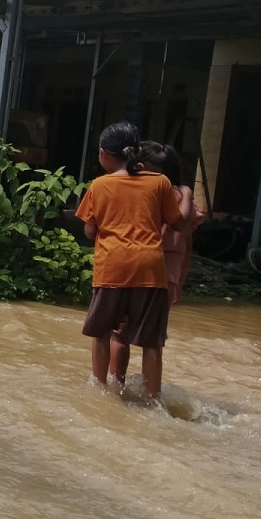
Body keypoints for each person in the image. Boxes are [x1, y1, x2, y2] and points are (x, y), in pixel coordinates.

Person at [75, 122, 181, 401]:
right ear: (135, 151)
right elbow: (177, 222)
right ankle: (152, 400)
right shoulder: (160, 182)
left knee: (102, 334)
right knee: (152, 343)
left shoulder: (99, 185)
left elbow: (89, 231)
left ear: (103, 154)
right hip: (149, 269)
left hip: (113, 267)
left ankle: (99, 391)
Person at [108, 141, 205, 389]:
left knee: (120, 334)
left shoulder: (140, 191)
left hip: (132, 268)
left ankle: (114, 389)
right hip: (166, 277)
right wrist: (179, 284)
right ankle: (152, 399)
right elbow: (188, 249)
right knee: (153, 342)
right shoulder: (184, 199)